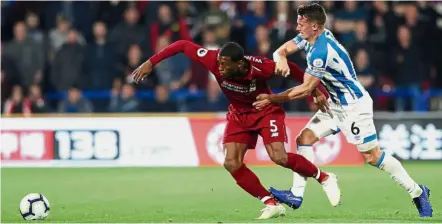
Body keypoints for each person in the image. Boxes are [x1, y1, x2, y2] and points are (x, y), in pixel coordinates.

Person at [253, 3, 433, 217]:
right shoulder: (309, 37)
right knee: (304, 138)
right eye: (298, 23)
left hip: (354, 107)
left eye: (302, 24)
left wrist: (273, 99)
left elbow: (306, 88)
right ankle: (296, 194)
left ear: (315, 27)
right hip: (334, 105)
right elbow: (280, 50)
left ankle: (417, 191)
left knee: (372, 157)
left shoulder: (321, 51)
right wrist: (281, 58)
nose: (298, 28)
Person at [132, 40, 341, 219]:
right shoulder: (213, 59)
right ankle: (271, 203)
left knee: (279, 157)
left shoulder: (261, 67)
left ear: (240, 63)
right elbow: (183, 45)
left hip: (266, 111)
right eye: (219, 63)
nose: (220, 68)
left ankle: (324, 177)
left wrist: (317, 90)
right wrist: (151, 62)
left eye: (225, 64)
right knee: (231, 162)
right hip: (239, 115)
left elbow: (293, 70)